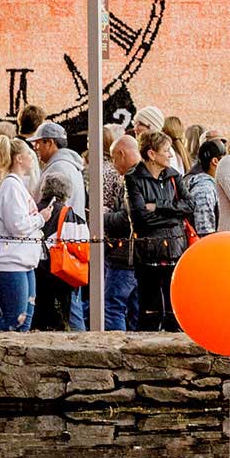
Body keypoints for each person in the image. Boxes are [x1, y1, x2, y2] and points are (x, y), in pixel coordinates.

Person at [124, 131, 193, 332]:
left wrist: (159, 206)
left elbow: (190, 205)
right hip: (148, 252)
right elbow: (140, 218)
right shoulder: (133, 178)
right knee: (150, 311)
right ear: (152, 154)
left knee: (175, 311)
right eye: (166, 150)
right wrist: (173, 215)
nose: (170, 155)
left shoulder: (174, 175)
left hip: (175, 248)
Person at [0, 138, 49, 332]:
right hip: (9, 261)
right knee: (14, 319)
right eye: (29, 154)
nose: (33, 157)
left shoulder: (16, 185)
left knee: (24, 320)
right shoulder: (11, 186)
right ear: (19, 158)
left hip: (21, 260)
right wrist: (41, 218)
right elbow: (17, 226)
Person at [96, 135, 139, 332]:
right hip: (138, 254)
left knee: (113, 306)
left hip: (124, 255)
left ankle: (117, 351)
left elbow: (127, 218)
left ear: (122, 154)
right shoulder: (147, 175)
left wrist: (101, 218)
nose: (113, 164)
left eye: (114, 158)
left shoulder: (132, 179)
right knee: (134, 308)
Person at [185, 139, 226, 238]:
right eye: (225, 160)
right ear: (215, 161)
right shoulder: (204, 190)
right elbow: (205, 231)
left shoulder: (210, 185)